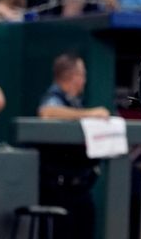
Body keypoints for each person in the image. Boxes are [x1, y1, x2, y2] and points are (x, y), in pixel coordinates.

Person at [37, 53, 110, 239]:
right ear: (73, 76)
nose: (84, 81)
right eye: (82, 75)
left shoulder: (74, 102)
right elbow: (47, 112)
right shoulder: (54, 96)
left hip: (80, 188)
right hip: (58, 189)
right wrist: (90, 114)